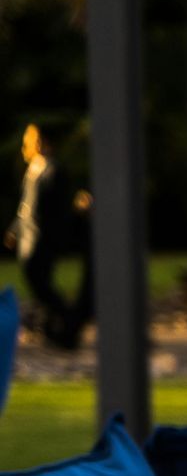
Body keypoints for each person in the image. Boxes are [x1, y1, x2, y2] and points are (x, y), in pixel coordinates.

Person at [3, 124, 92, 349]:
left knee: (41, 283)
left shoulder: (54, 170)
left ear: (41, 143)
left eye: (29, 141)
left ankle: (67, 322)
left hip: (43, 239)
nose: (25, 146)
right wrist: (15, 229)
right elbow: (25, 206)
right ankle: (58, 325)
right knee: (39, 284)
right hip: (28, 237)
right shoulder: (32, 169)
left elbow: (56, 209)